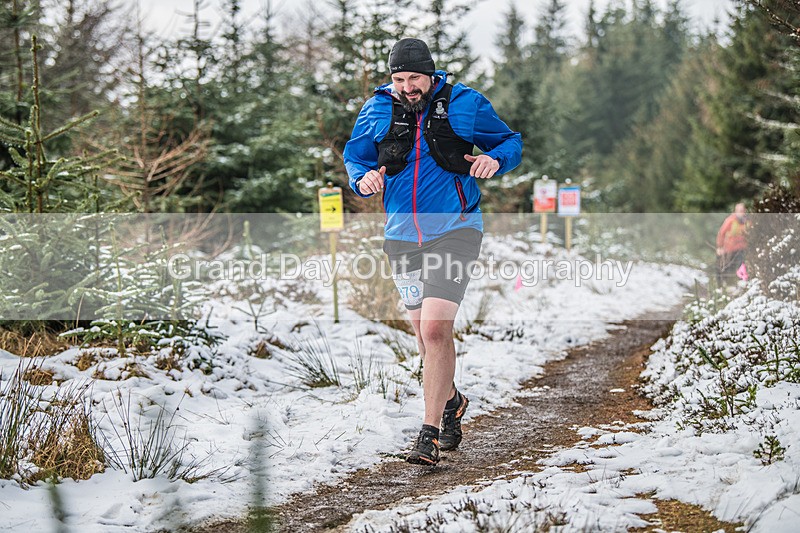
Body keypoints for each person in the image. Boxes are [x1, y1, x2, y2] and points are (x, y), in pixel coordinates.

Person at [343, 38, 523, 465]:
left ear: (431, 74)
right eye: (399, 79)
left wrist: (495, 161)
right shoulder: (376, 110)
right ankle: (452, 400)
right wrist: (362, 180)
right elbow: (356, 157)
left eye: (414, 78)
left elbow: (510, 142)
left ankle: (427, 434)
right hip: (402, 235)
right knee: (423, 335)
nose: (407, 87)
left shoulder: (465, 103)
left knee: (437, 329)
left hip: (456, 229)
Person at [716, 203, 749, 285]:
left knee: (742, 265)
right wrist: (720, 247)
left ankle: (742, 282)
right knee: (726, 266)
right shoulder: (730, 220)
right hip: (729, 248)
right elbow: (721, 233)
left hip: (742, 248)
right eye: (739, 211)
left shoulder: (748, 221)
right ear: (735, 211)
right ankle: (723, 284)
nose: (741, 213)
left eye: (743, 211)